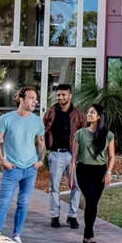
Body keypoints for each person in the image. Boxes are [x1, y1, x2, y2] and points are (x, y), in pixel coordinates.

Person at [0, 86, 45, 243]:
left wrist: (40, 161)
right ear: (20, 99)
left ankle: (16, 236)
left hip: (30, 169)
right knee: (3, 204)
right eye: (31, 97)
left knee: (23, 203)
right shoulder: (6, 119)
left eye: (36, 98)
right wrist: (3, 162)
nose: (35, 101)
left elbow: (41, 143)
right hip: (12, 169)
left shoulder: (37, 121)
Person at [43, 83, 86, 229]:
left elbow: (84, 135)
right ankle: (55, 216)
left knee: (77, 185)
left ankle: (72, 216)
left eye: (63, 95)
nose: (60, 98)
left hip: (73, 156)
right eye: (58, 95)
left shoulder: (79, 114)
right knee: (54, 187)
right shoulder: (51, 112)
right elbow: (43, 132)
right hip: (56, 154)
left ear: (70, 95)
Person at [74, 103, 115, 243]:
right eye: (88, 112)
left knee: (93, 203)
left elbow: (111, 156)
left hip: (100, 172)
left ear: (99, 116)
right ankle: (89, 234)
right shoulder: (80, 134)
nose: (88, 114)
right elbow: (74, 157)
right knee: (91, 200)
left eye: (92, 112)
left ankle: (87, 234)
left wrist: (108, 172)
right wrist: (71, 176)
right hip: (83, 171)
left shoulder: (108, 135)